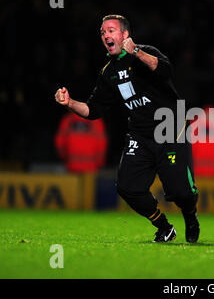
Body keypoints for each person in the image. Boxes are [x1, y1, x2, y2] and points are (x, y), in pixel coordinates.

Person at [55, 14, 199, 243]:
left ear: (125, 35)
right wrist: (70, 103)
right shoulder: (108, 73)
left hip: (170, 126)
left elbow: (165, 71)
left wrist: (137, 53)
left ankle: (190, 216)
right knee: (127, 187)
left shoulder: (144, 52)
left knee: (181, 192)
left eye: (110, 30)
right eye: (102, 32)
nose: (105, 35)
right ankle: (163, 227)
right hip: (140, 134)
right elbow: (94, 110)